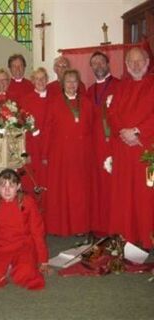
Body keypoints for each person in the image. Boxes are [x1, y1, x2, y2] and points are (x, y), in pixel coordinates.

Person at [0, 168, 49, 290]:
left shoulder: (28, 202)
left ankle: (12, 267)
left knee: (26, 273)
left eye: (11, 186)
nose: (7, 190)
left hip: (23, 244)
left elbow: (37, 231)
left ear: (18, 186)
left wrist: (43, 260)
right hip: (0, 244)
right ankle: (7, 268)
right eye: (3, 186)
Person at [108, 47, 154, 249]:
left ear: (147, 62)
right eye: (131, 62)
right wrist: (124, 132)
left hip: (147, 150)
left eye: (139, 61)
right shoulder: (120, 87)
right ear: (126, 65)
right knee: (125, 196)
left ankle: (147, 238)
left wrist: (137, 132)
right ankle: (127, 236)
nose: (136, 65)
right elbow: (112, 114)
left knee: (146, 196)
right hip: (124, 151)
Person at [43, 69, 93, 236]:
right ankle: (60, 227)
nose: (71, 85)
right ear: (62, 84)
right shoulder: (54, 103)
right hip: (61, 154)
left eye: (74, 82)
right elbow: (48, 130)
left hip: (82, 154)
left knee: (79, 192)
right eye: (68, 82)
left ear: (79, 84)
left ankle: (79, 227)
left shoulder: (86, 103)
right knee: (62, 191)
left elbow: (92, 129)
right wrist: (45, 154)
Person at [87, 51, 120, 236]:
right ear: (91, 67)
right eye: (94, 63)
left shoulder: (119, 86)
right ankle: (98, 224)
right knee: (97, 185)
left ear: (108, 64)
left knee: (112, 186)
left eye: (101, 62)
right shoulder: (90, 91)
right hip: (94, 145)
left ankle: (114, 224)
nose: (98, 66)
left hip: (112, 144)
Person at [19, 67, 50, 209]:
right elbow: (23, 128)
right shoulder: (26, 100)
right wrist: (26, 152)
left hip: (49, 147)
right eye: (37, 79)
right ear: (32, 81)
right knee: (32, 183)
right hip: (32, 147)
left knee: (48, 182)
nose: (40, 81)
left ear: (47, 80)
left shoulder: (54, 99)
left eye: (43, 78)